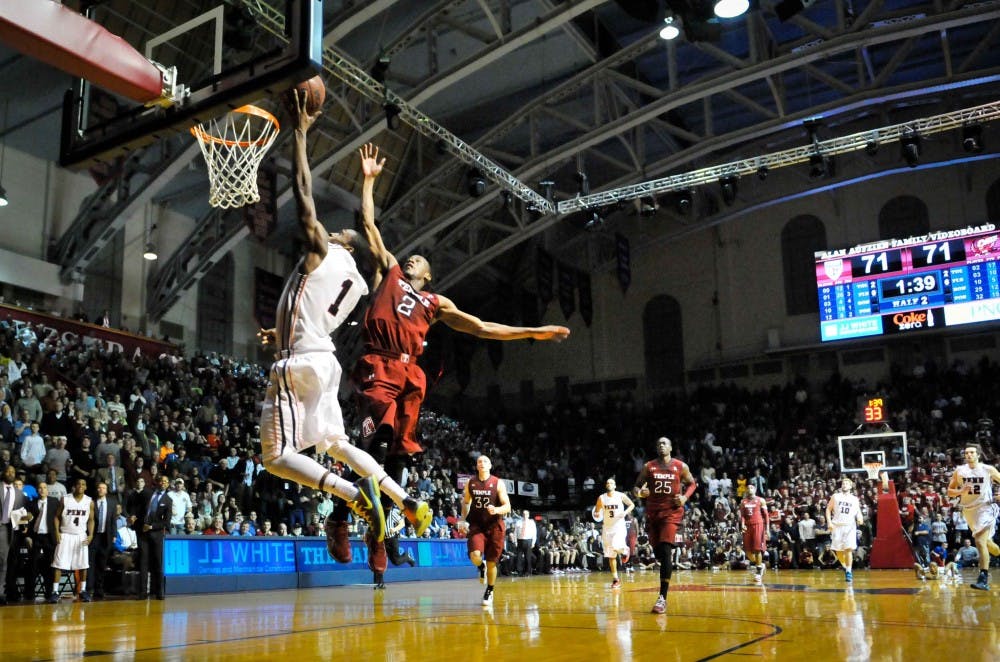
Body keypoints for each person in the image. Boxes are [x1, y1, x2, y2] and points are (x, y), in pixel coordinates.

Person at [329, 142, 569, 563]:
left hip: (409, 374)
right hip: (378, 363)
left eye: (420, 258)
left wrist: (534, 331)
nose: (413, 256)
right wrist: (368, 181)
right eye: (412, 256)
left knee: (402, 453)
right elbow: (368, 224)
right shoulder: (391, 270)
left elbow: (483, 328)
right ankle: (345, 519)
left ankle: (389, 534)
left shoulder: (437, 304)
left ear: (430, 276)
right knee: (377, 444)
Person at [257, 96, 433, 563]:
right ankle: (405, 502)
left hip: (311, 363)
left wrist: (299, 132)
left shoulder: (322, 250)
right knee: (338, 443)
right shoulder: (361, 283)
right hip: (331, 363)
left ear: (339, 241)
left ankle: (352, 501)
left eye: (335, 231)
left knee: (276, 456)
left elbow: (302, 190)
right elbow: (366, 233)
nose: (329, 230)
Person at [633, 437, 697, 614]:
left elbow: (692, 483)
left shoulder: (680, 466)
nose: (661, 445)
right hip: (654, 514)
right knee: (659, 553)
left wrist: (684, 498)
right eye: (658, 443)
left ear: (670, 447)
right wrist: (641, 493)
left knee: (666, 550)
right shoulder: (649, 466)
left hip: (672, 512)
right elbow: (636, 487)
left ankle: (662, 598)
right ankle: (665, 558)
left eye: (664, 443)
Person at [457, 455, 510, 607]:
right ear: (476, 466)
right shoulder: (470, 482)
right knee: (475, 556)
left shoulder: (498, 483)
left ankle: (490, 590)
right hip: (477, 525)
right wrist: (462, 518)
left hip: (495, 525)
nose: (482, 463)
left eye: (485, 461)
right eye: (479, 461)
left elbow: (507, 506)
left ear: (490, 465)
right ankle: (481, 566)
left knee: (492, 562)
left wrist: (497, 509)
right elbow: (466, 502)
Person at [946, 445, 1000, 590]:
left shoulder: (987, 469)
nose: (969, 455)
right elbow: (950, 492)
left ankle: (983, 578)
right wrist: (960, 490)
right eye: (967, 453)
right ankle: (997, 551)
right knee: (988, 545)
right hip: (969, 511)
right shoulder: (960, 471)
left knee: (979, 542)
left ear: (978, 455)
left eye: (972, 452)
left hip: (986, 508)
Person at [49, 478, 94, 602]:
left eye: (83, 484)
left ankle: (83, 591)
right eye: (78, 483)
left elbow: (91, 520)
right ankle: (55, 591)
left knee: (83, 564)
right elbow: (56, 517)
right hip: (66, 535)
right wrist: (57, 532)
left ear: (86, 487)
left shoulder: (89, 501)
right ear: (74, 486)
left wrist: (90, 535)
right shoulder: (65, 499)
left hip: (81, 535)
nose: (81, 485)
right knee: (58, 564)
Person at [593, 478, 635, 589]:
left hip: (619, 526)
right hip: (607, 528)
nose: (609, 484)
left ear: (615, 485)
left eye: (611, 483)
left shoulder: (620, 495)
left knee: (616, 546)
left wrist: (625, 512)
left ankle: (625, 550)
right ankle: (616, 579)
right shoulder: (601, 498)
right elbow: (597, 512)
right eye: (607, 483)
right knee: (611, 556)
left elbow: (631, 505)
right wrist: (597, 515)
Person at [138, 474, 172, 600]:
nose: (163, 483)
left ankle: (159, 592)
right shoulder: (147, 493)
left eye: (165, 481)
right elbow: (138, 508)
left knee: (158, 563)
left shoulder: (168, 500)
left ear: (168, 485)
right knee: (143, 563)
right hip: (142, 533)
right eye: (161, 481)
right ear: (157, 482)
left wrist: (152, 527)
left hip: (156, 534)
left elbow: (166, 523)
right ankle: (142, 592)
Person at [0, 463, 30, 605]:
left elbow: (22, 513)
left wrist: (24, 523)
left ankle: (2, 593)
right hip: (1, 527)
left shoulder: (19, 494)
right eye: (8, 471)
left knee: (6, 562)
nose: (11, 473)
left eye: (13, 471)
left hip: (11, 530)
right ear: (3, 473)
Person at [825, 477, 864, 583]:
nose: (844, 484)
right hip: (837, 525)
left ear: (851, 486)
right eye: (843, 483)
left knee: (848, 549)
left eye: (847, 483)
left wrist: (860, 517)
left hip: (850, 526)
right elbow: (828, 509)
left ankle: (848, 571)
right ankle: (845, 565)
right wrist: (829, 522)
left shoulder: (854, 499)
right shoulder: (835, 496)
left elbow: (858, 511)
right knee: (838, 550)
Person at [88, 480, 118, 599]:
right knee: (91, 563)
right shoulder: (91, 502)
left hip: (106, 536)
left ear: (106, 490)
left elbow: (113, 521)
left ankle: (99, 589)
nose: (101, 489)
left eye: (103, 488)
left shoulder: (112, 502)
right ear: (97, 490)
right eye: (99, 487)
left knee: (102, 564)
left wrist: (114, 535)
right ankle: (89, 588)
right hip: (94, 536)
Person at [738, 482, 768, 584]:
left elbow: (766, 516)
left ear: (755, 490)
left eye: (752, 487)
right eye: (748, 487)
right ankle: (760, 564)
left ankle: (758, 572)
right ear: (746, 490)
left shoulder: (761, 500)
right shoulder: (743, 502)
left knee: (757, 549)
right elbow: (742, 515)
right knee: (747, 551)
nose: (750, 488)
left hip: (758, 525)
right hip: (747, 526)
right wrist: (742, 524)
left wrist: (767, 529)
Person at [514, 509, 537, 577]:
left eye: (526, 514)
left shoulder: (531, 522)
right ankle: (519, 571)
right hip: (520, 540)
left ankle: (528, 572)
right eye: (523, 514)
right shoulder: (518, 522)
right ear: (522, 515)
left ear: (528, 515)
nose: (525, 515)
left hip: (528, 541)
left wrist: (533, 542)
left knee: (528, 557)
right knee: (519, 557)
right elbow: (515, 532)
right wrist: (515, 541)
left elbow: (534, 533)